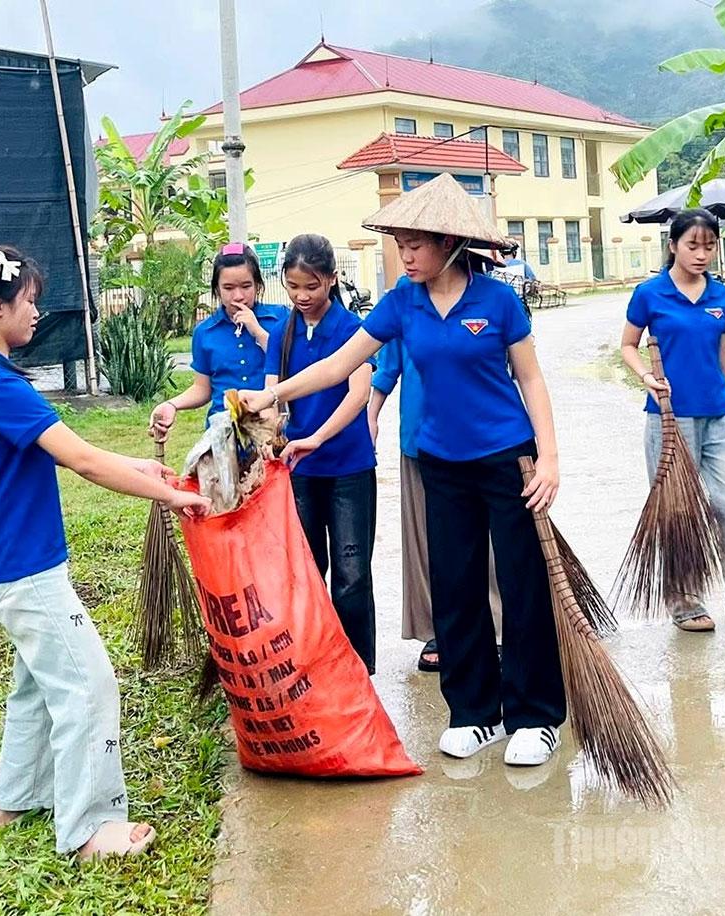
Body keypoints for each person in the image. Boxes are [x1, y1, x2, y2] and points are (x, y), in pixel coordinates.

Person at [240, 175, 566, 767]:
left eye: (415, 244)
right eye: (400, 244)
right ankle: (473, 712)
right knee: (454, 586)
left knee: (521, 587)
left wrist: (549, 457)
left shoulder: (497, 301)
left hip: (506, 458)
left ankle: (534, 716)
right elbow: (342, 364)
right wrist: (275, 394)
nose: (406, 255)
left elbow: (532, 379)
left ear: (447, 243)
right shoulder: (401, 302)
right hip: (440, 462)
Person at [0, 245, 210, 860]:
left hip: (8, 563)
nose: (36, 312)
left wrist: (142, 465)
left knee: (38, 687)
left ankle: (15, 801)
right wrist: (167, 496)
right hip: (23, 570)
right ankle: (89, 828)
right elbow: (84, 460)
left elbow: (78, 447)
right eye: (29, 301)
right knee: (88, 686)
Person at [620, 208, 725, 633]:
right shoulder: (649, 294)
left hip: (721, 418)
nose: (701, 254)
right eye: (693, 245)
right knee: (680, 511)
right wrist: (646, 376)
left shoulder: (718, 296)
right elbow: (628, 345)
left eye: (709, 246)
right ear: (673, 245)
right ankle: (685, 602)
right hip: (671, 421)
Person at [368, 304, 504, 673]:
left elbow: (514, 369)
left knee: (488, 539)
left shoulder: (490, 300)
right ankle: (436, 628)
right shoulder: (404, 305)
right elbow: (387, 366)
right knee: (427, 540)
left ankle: (498, 626)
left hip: (482, 440)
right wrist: (372, 415)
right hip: (420, 439)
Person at [267, 233, 378, 675]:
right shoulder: (282, 331)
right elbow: (273, 395)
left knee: (352, 575)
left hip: (349, 466)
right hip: (300, 470)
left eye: (311, 287)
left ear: (332, 280)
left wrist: (318, 437)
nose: (302, 296)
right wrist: (273, 427)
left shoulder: (352, 330)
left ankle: (358, 669)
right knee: (308, 569)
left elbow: (358, 394)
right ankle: (317, 664)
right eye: (293, 287)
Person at [149, 243, 288, 442]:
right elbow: (202, 388)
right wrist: (172, 404)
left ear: (258, 284)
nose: (238, 296)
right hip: (222, 432)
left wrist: (257, 330)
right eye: (228, 288)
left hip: (269, 430)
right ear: (217, 289)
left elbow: (291, 364)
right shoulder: (205, 332)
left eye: (246, 286)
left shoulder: (280, 319)